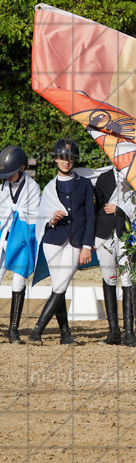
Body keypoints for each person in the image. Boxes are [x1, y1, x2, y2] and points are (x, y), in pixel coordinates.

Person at [28, 138, 95, 345]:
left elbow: (91, 216)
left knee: (61, 284)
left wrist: (86, 246)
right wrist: (52, 220)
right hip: (53, 239)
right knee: (60, 285)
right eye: (63, 158)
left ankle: (36, 331)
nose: (67, 162)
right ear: (56, 159)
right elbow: (43, 218)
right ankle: (65, 335)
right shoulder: (49, 187)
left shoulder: (84, 184)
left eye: (70, 158)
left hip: (76, 242)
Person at [0, 146, 41, 343]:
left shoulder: (33, 188)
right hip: (3, 235)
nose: (7, 177)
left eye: (10, 173)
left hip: (23, 236)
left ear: (22, 168)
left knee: (18, 281)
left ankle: (13, 330)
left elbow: (32, 219)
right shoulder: (2, 186)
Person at [93, 165, 136, 346]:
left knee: (127, 279)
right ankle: (113, 332)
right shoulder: (103, 178)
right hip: (104, 234)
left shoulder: (135, 177)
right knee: (109, 278)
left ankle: (129, 332)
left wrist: (119, 210)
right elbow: (95, 209)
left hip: (126, 234)